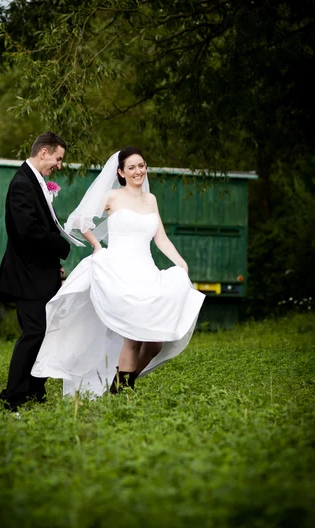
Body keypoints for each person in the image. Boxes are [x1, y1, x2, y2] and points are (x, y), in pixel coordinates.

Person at [32, 146, 205, 397]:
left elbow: (161, 238)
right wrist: (97, 247)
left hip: (147, 272)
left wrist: (181, 263)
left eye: (142, 165)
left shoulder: (151, 200)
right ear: (121, 173)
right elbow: (81, 219)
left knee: (155, 342)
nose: (138, 171)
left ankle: (120, 382)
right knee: (133, 338)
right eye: (132, 167)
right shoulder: (112, 196)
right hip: (120, 271)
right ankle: (122, 394)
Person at [0, 132, 71, 411]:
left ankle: (34, 392)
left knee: (45, 334)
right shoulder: (22, 183)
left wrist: (54, 264)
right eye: (58, 158)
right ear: (44, 153)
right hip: (28, 277)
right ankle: (12, 398)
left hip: (41, 273)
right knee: (34, 334)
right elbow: (28, 230)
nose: (59, 165)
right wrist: (61, 245)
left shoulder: (35, 181)